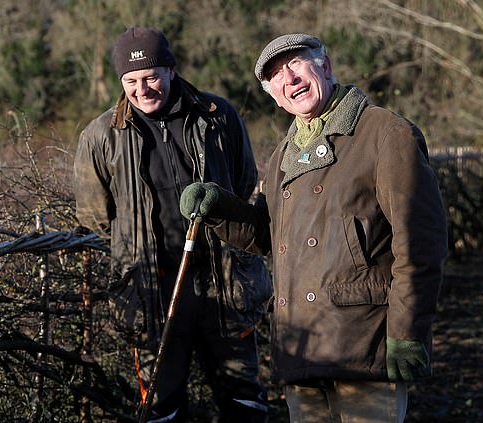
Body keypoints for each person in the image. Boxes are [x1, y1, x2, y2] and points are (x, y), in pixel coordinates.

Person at [180, 34, 448, 422]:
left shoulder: (385, 133)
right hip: (302, 349)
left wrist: (407, 331)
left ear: (325, 66)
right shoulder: (284, 155)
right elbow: (264, 234)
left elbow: (421, 243)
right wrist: (219, 207)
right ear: (273, 95)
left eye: (295, 64)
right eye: (275, 75)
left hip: (363, 347)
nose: (288, 79)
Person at [73, 27, 271, 422]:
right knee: (162, 407)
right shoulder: (100, 137)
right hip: (151, 293)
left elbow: (244, 184)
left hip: (225, 285)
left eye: (150, 77)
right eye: (130, 81)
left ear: (171, 70)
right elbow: (95, 217)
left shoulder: (218, 117)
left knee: (244, 400)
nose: (141, 89)